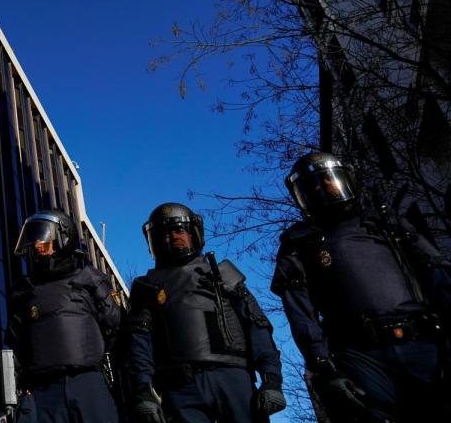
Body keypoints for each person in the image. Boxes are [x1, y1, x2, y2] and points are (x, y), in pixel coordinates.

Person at [272, 152, 451, 422]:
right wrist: (322, 366)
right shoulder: (299, 242)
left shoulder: (386, 223)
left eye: (328, 179)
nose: (323, 187)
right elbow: (299, 310)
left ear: (347, 179)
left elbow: (435, 272)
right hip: (360, 354)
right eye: (312, 186)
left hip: (423, 341)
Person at [128, 203, 286, 423]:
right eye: (165, 233)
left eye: (179, 230)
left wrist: (272, 380)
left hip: (233, 379)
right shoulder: (147, 287)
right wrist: (142, 390)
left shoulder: (222, 275)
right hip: (181, 387)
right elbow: (139, 343)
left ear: (194, 233)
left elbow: (256, 326)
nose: (174, 237)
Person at [5, 210, 123, 423]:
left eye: (43, 237)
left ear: (62, 237)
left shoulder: (89, 279)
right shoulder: (23, 292)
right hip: (43, 391)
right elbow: (15, 344)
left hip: (87, 384)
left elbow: (117, 328)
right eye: (33, 239)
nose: (37, 245)